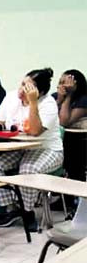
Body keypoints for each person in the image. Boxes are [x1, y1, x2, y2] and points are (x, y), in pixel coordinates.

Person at [0, 68, 63, 232]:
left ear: (39, 92)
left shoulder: (47, 103)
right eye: (22, 84)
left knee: (28, 168)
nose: (21, 90)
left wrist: (33, 103)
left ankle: (27, 212)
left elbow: (35, 131)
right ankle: (12, 208)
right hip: (19, 148)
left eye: (28, 88)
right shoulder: (11, 97)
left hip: (47, 149)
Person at [54, 69, 87, 210]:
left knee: (74, 157)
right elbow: (46, 117)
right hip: (58, 139)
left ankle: (75, 200)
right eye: (60, 82)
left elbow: (64, 121)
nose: (62, 86)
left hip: (79, 140)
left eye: (66, 83)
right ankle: (63, 197)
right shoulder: (55, 96)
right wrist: (59, 100)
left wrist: (68, 97)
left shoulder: (83, 99)